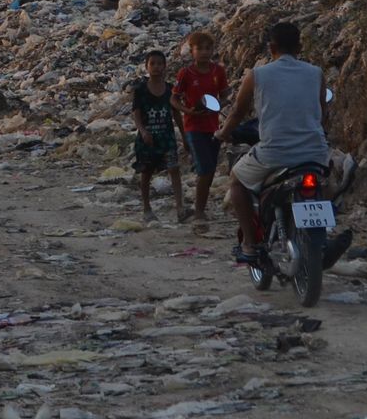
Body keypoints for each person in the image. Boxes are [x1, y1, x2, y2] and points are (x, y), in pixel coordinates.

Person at [214, 20, 351, 269]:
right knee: (324, 186)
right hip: (314, 152)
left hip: (274, 153)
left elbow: (236, 113)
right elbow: (322, 114)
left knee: (236, 180)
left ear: (271, 46)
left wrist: (223, 133)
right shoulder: (315, 73)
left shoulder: (257, 75)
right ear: (300, 46)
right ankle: (321, 240)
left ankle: (250, 244)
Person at [172, 31, 228, 230]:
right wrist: (189, 111)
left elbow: (224, 94)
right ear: (192, 51)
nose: (204, 52)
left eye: (208, 48)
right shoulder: (185, 74)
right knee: (205, 168)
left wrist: (217, 105)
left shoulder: (218, 72)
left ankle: (201, 207)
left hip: (213, 126)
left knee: (210, 169)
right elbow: (174, 99)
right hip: (193, 127)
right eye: (200, 49)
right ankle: (199, 211)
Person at [130, 50, 184, 222]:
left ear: (165, 66)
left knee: (174, 169)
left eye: (160, 63)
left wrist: (184, 135)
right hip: (148, 139)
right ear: (146, 67)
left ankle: (180, 208)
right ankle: (147, 209)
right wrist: (143, 131)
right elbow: (137, 115)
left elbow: (176, 114)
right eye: (152, 63)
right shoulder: (140, 90)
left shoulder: (170, 90)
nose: (156, 67)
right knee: (146, 173)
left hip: (166, 137)